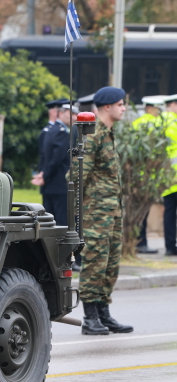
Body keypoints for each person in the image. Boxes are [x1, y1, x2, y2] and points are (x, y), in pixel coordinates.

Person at [78, 86, 132, 335]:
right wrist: (81, 212)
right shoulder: (93, 134)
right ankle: (90, 318)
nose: (124, 108)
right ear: (107, 107)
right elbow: (78, 175)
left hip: (111, 211)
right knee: (95, 262)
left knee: (110, 263)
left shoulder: (108, 133)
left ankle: (103, 312)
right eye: (120, 104)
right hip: (96, 213)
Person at [132, 96, 166, 254]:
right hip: (148, 176)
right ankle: (141, 243)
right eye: (158, 109)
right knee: (143, 212)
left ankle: (139, 242)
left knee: (139, 212)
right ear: (152, 108)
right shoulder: (155, 123)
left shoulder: (136, 123)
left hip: (136, 175)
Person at [36, 103, 77, 227]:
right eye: (71, 114)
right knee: (61, 223)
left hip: (49, 184)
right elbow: (56, 159)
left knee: (48, 223)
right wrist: (45, 176)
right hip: (59, 184)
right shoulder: (62, 133)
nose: (74, 118)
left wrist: (44, 175)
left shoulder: (51, 130)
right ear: (60, 113)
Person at [161, 94, 177, 257]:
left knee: (169, 212)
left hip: (166, 178)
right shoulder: (172, 122)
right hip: (173, 176)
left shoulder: (161, 120)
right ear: (173, 105)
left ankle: (170, 246)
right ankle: (172, 246)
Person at [37, 98, 68, 176]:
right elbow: (44, 155)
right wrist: (44, 173)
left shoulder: (59, 129)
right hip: (49, 172)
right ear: (54, 112)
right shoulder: (48, 131)